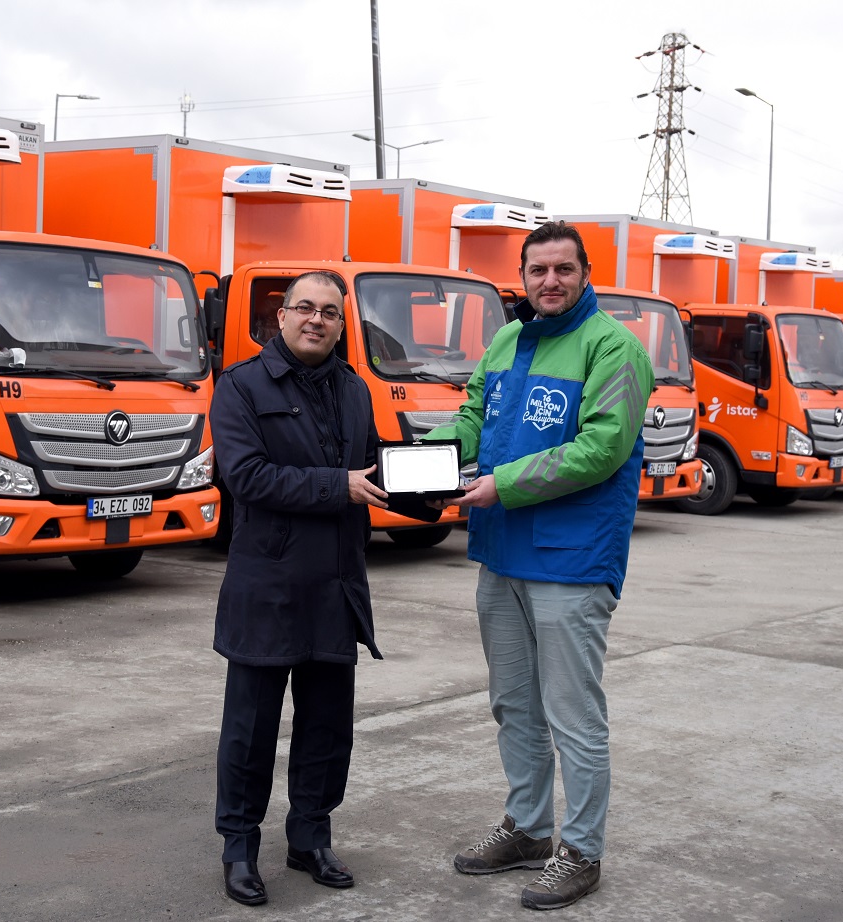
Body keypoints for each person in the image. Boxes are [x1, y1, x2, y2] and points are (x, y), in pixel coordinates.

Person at [424, 221, 650, 911]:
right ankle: (527, 829)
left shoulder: (614, 347)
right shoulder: (508, 339)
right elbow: (473, 416)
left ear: (586, 274)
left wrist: (503, 484)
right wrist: (421, 459)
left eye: (563, 269)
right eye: (538, 270)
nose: (550, 281)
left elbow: (602, 449)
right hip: (501, 553)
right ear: (521, 277)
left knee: (573, 714)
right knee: (514, 704)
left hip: (570, 560)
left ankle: (580, 851)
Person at [209, 269, 438, 907]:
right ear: (280, 316)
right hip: (269, 586)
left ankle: (310, 837)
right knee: (250, 730)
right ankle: (239, 847)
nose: (317, 319)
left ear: (342, 325)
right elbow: (247, 477)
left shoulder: (354, 388)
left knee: (328, 728)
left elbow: (373, 468)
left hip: (337, 584)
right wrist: (338, 485)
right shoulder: (241, 386)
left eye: (330, 312)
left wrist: (434, 492)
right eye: (305, 308)